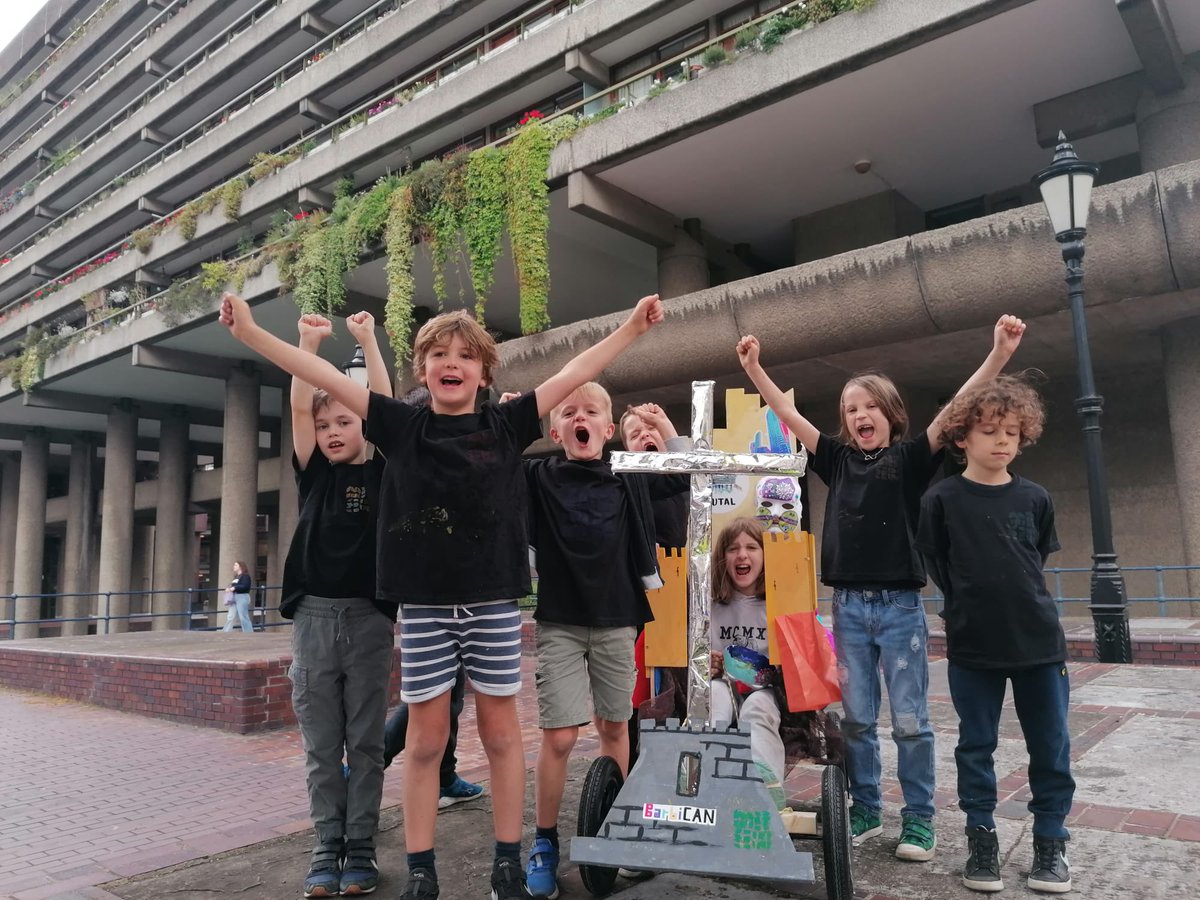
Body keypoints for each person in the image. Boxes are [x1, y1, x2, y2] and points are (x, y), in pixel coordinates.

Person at [219, 290, 666, 900]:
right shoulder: (400, 425)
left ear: (484, 373)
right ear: (422, 368)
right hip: (426, 610)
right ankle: (421, 870)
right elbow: (320, 373)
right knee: (426, 740)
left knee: (503, 736)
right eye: (436, 353)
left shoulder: (506, 425)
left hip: (494, 606)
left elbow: (575, 372)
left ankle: (507, 861)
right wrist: (249, 334)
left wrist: (633, 328)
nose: (449, 362)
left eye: (464, 355)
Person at [735, 315, 1027, 863]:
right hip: (847, 608)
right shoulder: (837, 460)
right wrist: (755, 369)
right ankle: (865, 807)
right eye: (850, 409)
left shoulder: (913, 458)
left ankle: (919, 821)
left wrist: (998, 356)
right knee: (859, 720)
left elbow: (955, 409)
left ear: (890, 413)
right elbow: (788, 414)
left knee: (912, 722)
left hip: (898, 608)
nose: (858, 415)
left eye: (868, 406)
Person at [521, 382, 687, 899]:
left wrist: (664, 429)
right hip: (561, 622)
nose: (580, 418)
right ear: (556, 431)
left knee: (616, 726)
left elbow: (682, 472)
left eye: (591, 412)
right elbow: (493, 471)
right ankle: (544, 841)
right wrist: (508, 418)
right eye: (569, 413)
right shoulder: (539, 476)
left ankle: (617, 826)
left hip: (618, 619)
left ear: (608, 429)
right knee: (561, 736)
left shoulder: (628, 474)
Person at [915, 376, 1073, 894]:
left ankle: (1050, 844)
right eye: (989, 431)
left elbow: (1035, 561)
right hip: (973, 647)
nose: (1002, 441)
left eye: (1011, 431)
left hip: (1038, 645)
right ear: (962, 438)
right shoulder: (940, 500)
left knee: (1050, 748)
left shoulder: (1036, 497)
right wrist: (966, 605)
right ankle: (982, 841)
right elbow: (937, 561)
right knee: (975, 746)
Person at [275, 311, 394, 898]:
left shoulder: (381, 470)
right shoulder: (316, 473)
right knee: (323, 749)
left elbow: (383, 403)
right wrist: (307, 344)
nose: (333, 432)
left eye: (346, 421)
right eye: (327, 426)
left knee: (365, 745)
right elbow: (301, 406)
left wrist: (369, 341)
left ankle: (362, 849)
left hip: (370, 620)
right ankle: (327, 846)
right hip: (314, 620)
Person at [709, 517, 788, 809]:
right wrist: (708, 663)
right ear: (723, 558)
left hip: (762, 689)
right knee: (714, 700)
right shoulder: (712, 605)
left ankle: (764, 783)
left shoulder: (778, 603)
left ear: (765, 556)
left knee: (759, 709)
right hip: (722, 684)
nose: (742, 555)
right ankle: (707, 774)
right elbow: (695, 656)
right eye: (733, 549)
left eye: (752, 547)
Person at [221, 561, 253, 633]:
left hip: (242, 596)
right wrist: (230, 588)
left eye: (236, 565)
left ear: (240, 566)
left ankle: (249, 632)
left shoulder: (245, 576)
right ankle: (226, 631)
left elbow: (245, 586)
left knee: (243, 616)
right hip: (234, 596)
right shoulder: (236, 577)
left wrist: (235, 588)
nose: (234, 566)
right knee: (230, 616)